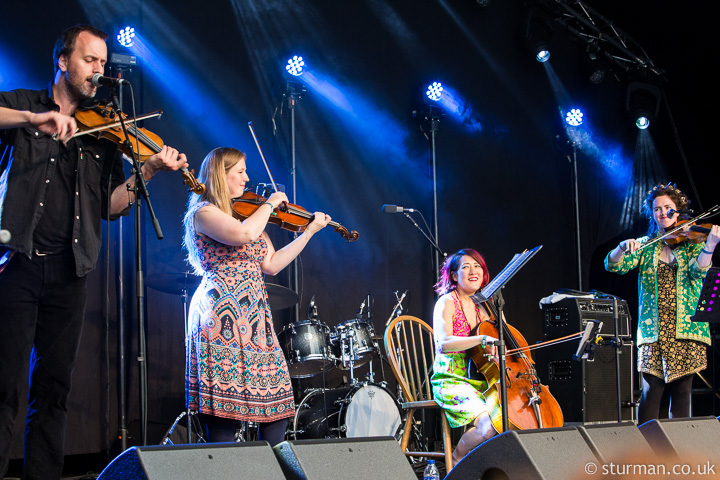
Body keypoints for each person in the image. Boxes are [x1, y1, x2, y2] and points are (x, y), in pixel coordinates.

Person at [0, 25, 188, 479]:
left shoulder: (102, 130)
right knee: (4, 387)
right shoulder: (23, 104)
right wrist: (33, 121)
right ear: (62, 61)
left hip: (71, 272)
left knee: (54, 389)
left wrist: (149, 169)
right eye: (90, 60)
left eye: (103, 63)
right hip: (17, 265)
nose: (99, 71)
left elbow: (108, 206)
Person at [182, 147, 330, 446]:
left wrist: (308, 233)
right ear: (220, 176)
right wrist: (271, 204)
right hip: (220, 315)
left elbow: (271, 264)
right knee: (225, 412)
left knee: (275, 405)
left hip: (255, 318)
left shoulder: (248, 215)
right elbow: (243, 235)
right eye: (240, 172)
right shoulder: (205, 212)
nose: (246, 178)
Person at [605, 183, 719, 424]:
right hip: (652, 330)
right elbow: (614, 265)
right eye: (657, 209)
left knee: (682, 394)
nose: (662, 213)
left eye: (668, 208)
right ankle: (646, 450)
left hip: (686, 330)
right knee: (650, 393)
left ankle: (679, 454)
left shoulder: (692, 242)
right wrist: (621, 247)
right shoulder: (645, 245)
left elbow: (699, 273)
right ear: (652, 213)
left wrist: (709, 246)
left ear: (678, 211)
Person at [431, 248, 499, 464]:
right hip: (451, 381)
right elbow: (444, 343)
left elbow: (492, 346)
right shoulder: (447, 302)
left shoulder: (485, 308)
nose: (473, 270)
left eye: (477, 266)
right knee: (489, 426)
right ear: (453, 275)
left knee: (506, 421)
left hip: (482, 381)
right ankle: (457, 461)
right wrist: (481, 340)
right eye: (466, 266)